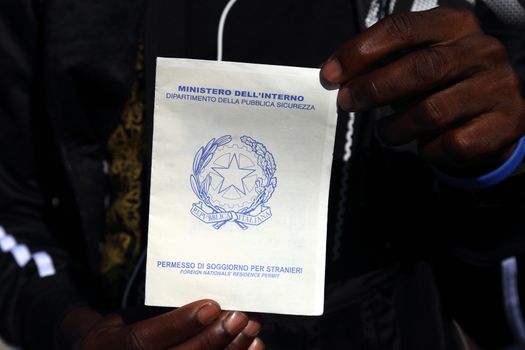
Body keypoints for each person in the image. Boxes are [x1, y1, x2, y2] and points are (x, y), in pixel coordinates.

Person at [1, 0, 524, 349]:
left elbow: (501, 306)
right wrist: (71, 328)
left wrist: (494, 164)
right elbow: (11, 204)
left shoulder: (459, 10)